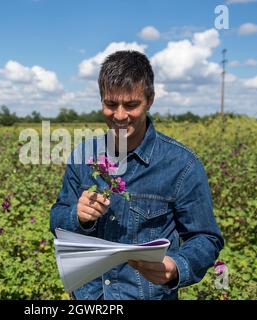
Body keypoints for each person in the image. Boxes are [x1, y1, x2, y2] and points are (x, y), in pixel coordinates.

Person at [50, 50, 224, 300]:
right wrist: (78, 217)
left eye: (131, 104)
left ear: (150, 100)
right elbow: (56, 219)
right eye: (111, 104)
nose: (120, 115)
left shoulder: (181, 164)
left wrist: (176, 267)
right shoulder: (84, 155)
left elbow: (206, 238)